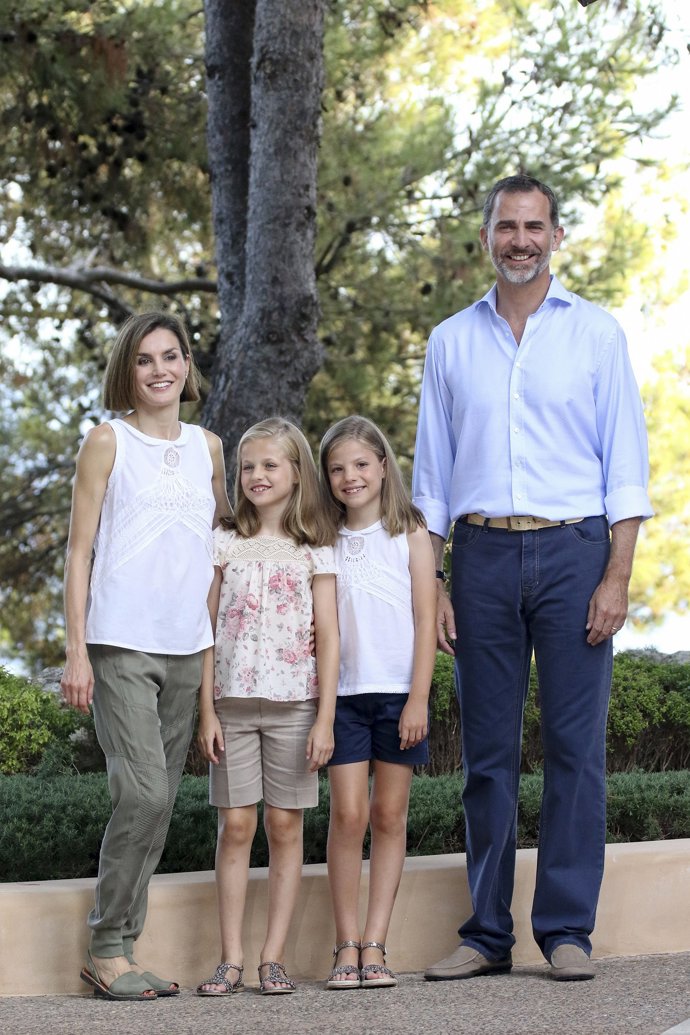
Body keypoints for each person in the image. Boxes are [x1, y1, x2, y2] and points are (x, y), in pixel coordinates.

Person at [412, 174, 653, 982]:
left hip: (575, 552)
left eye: (533, 226)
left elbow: (626, 466)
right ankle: (486, 933)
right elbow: (431, 479)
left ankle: (566, 929)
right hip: (480, 557)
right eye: (506, 226)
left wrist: (616, 574)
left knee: (576, 750)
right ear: (486, 236)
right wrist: (434, 582)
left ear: (556, 235)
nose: (520, 240)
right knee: (487, 754)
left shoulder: (596, 335)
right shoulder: (451, 341)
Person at [60, 311, 230, 1001]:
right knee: (144, 791)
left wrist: (213, 664)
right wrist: (76, 651)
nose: (161, 369)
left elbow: (216, 556)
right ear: (127, 370)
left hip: (186, 643)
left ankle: (123, 950)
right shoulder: (108, 441)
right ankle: (105, 945)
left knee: (159, 804)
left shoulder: (210, 447)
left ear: (188, 365)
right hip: (120, 640)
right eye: (145, 359)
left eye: (172, 355)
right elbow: (79, 553)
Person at [195, 417, 339, 997]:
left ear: (297, 472)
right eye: (247, 466)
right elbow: (204, 629)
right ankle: (229, 958)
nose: (256, 475)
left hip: (296, 707)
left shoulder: (315, 547)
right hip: (230, 706)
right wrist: (206, 711)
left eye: (269, 465)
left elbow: (330, 637)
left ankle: (272, 957)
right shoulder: (224, 541)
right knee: (236, 825)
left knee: (283, 825)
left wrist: (325, 719)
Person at [319, 416, 436, 990]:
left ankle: (375, 945)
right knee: (349, 816)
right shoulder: (322, 539)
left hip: (398, 697)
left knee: (389, 816)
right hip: (342, 697)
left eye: (362, 464)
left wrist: (418, 699)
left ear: (384, 466)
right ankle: (345, 944)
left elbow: (425, 619)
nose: (351, 477)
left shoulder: (410, 531)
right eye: (338, 468)